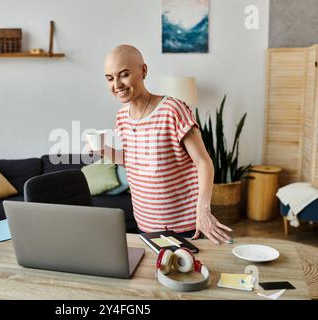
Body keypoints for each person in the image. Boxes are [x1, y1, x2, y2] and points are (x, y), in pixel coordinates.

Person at [88, 44, 232, 245]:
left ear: (143, 70)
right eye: (110, 78)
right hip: (146, 224)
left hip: (184, 225)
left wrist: (203, 209)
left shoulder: (172, 109)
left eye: (124, 74)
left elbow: (203, 162)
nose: (117, 84)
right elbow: (135, 162)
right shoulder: (121, 117)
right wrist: (103, 150)